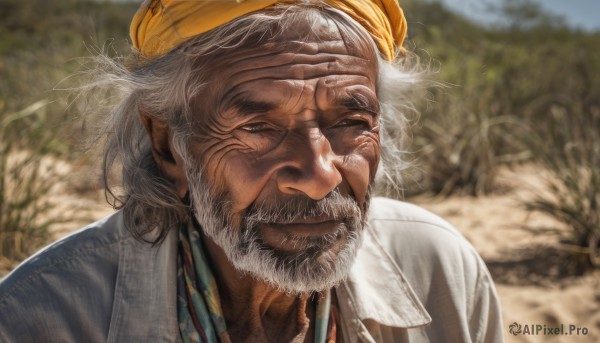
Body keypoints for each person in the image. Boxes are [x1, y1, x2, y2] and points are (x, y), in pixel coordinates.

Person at [0, 0, 503, 342]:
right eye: (258, 126)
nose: (319, 173)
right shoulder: (40, 317)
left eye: (351, 122)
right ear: (167, 146)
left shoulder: (441, 269)